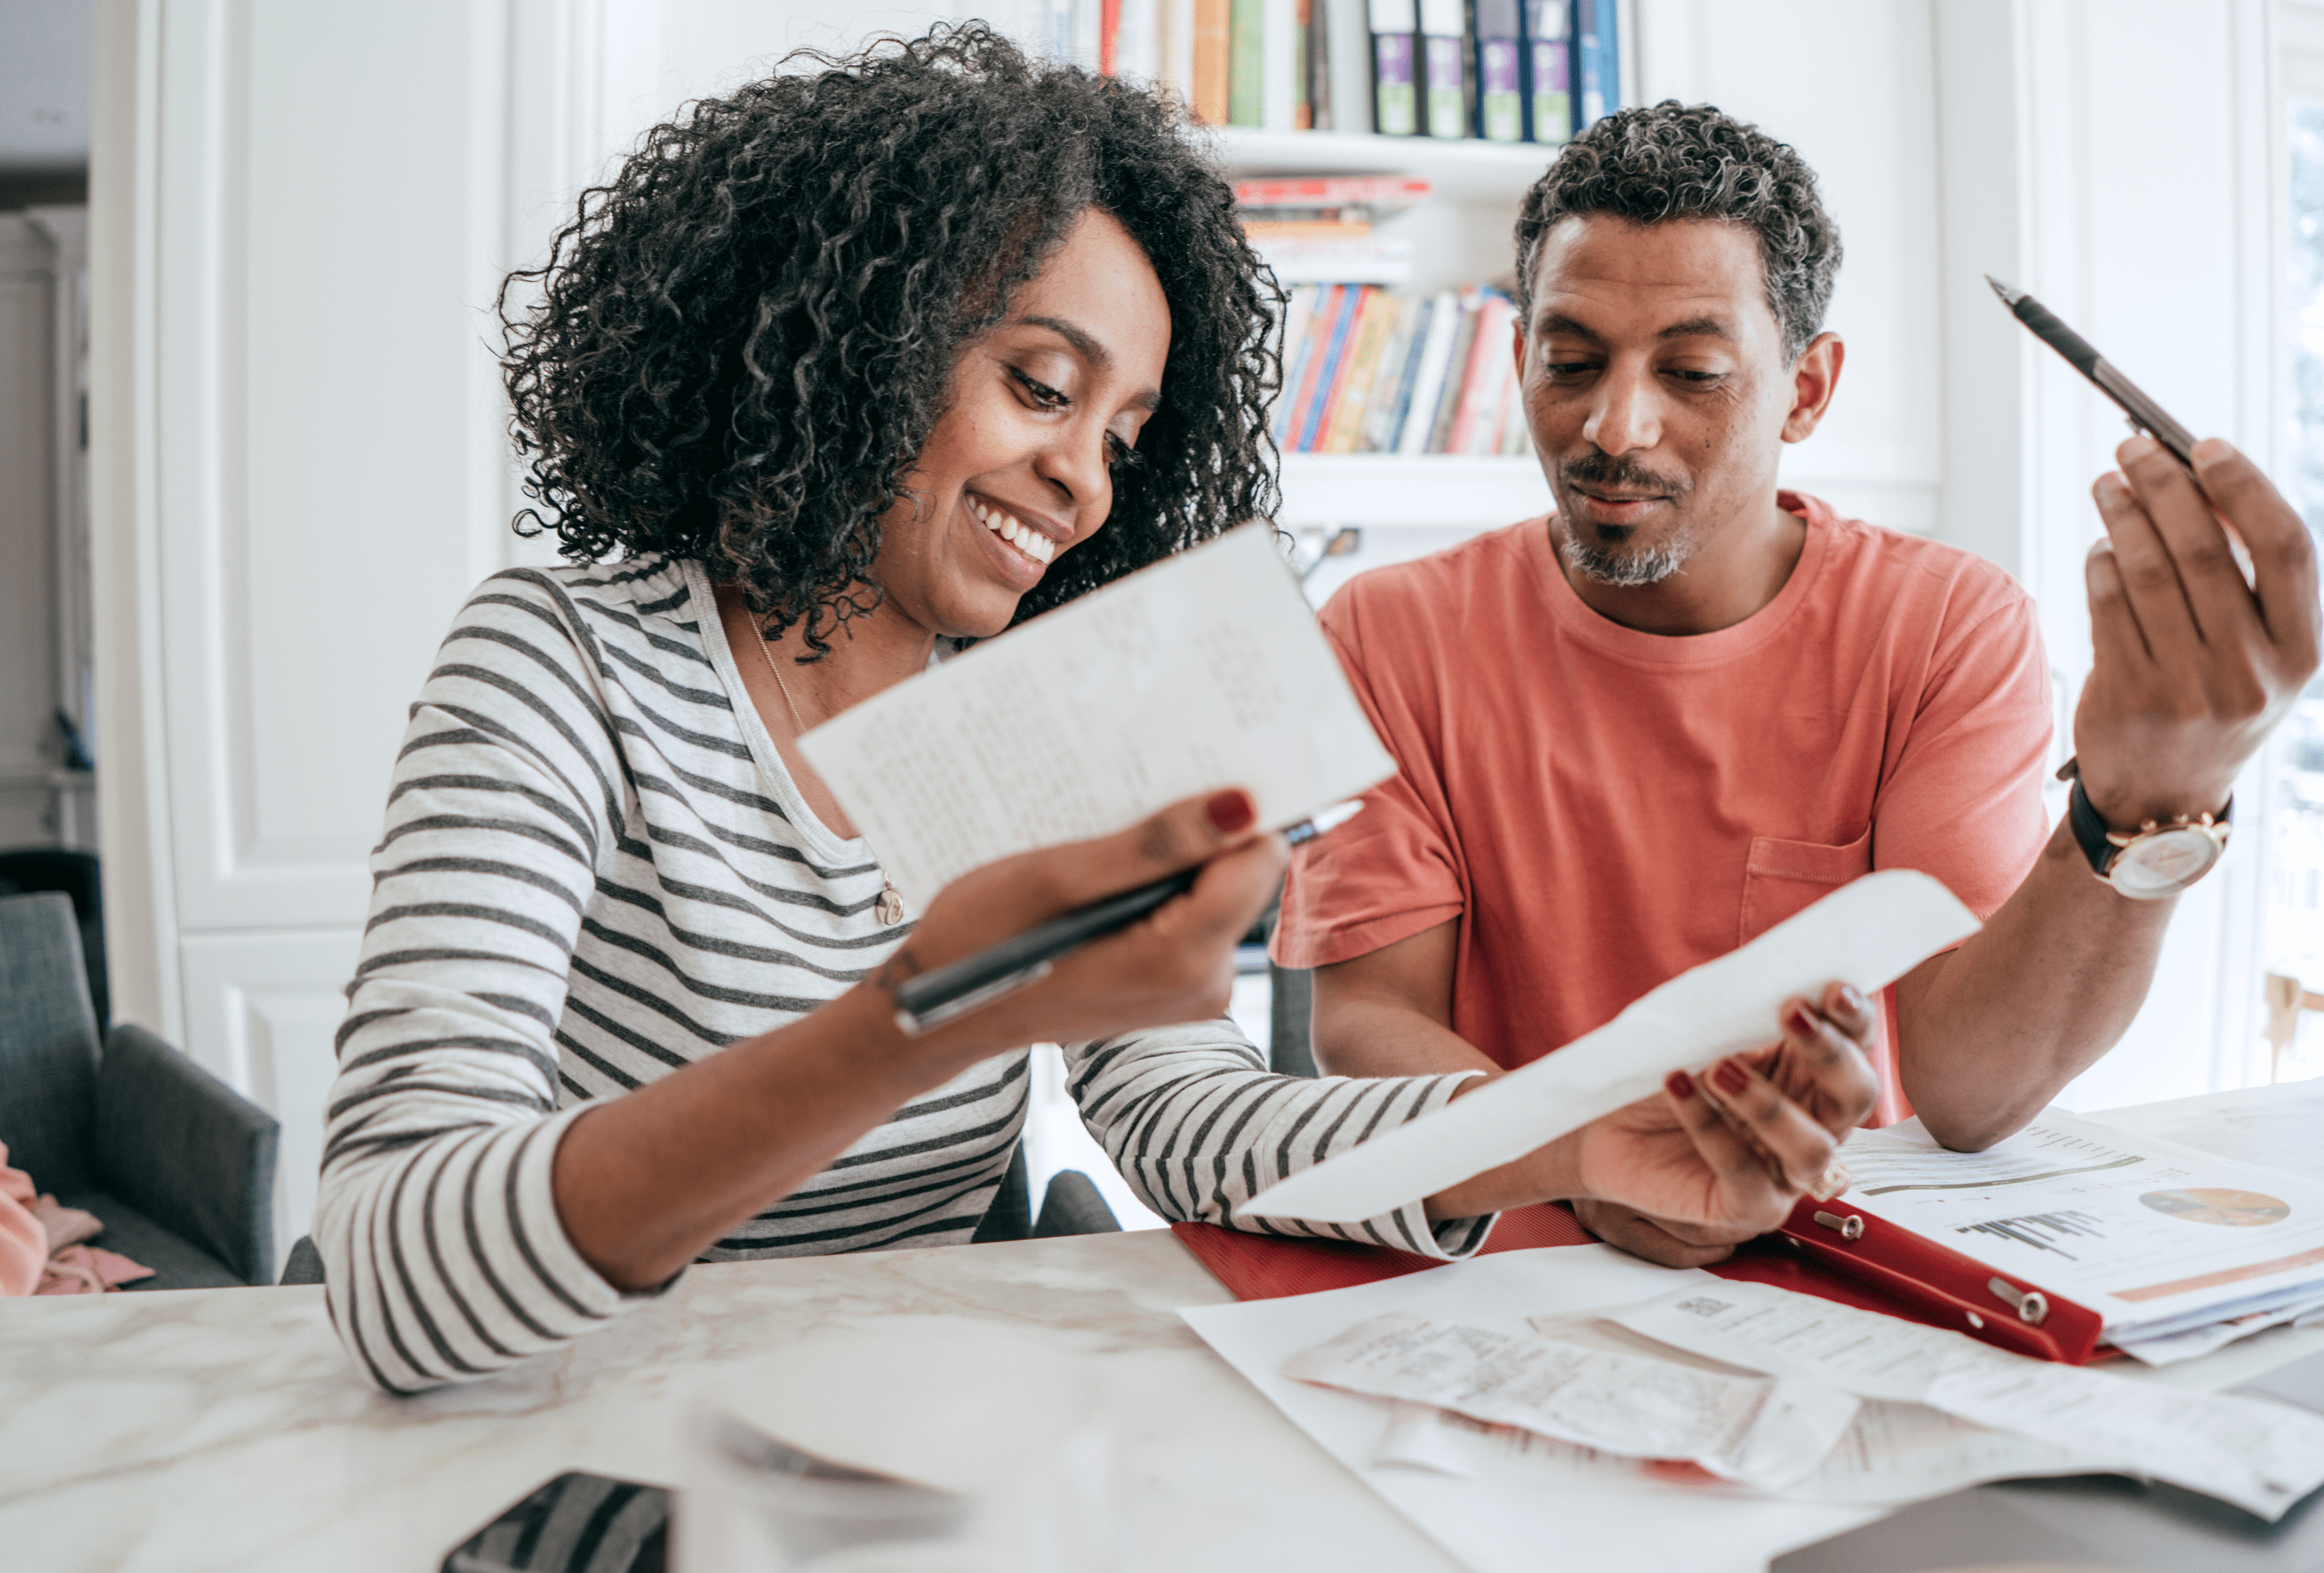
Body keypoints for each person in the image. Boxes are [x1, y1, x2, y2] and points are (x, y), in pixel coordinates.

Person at [316, 37, 1875, 1393]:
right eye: (1042, 388)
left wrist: (1567, 1137)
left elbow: (1190, 1117)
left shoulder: (1040, 722)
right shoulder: (562, 666)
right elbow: (391, 1257)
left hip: (877, 1429)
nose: (1085, 482)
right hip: (562, 1412)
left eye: (1127, 434)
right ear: (845, 340)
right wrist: (928, 1015)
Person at [1284, 100, 2321, 1270]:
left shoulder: (1941, 626)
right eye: (1569, 362)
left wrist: (2140, 803)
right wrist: (1581, 1158)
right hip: (1502, 1266)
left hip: (1826, 1271)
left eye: (1694, 372)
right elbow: (1367, 1017)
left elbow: (1969, 1095)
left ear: (1808, 391)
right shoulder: (1386, 631)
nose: (1614, 427)